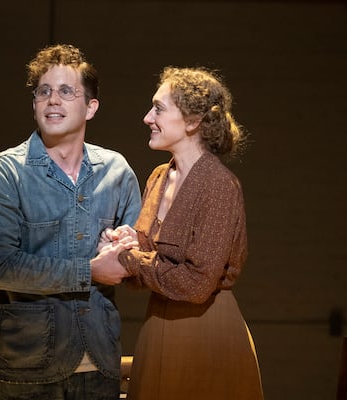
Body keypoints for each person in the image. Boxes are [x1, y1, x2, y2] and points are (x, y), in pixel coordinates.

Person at [0, 44, 142, 400]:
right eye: (43, 92)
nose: (52, 100)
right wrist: (89, 270)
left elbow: (136, 254)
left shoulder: (116, 171)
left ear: (90, 107)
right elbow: (0, 267)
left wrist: (126, 250)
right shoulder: (3, 172)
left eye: (66, 91)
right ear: (33, 104)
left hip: (99, 360)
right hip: (30, 366)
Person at [95, 66, 264, 399]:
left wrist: (130, 260)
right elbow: (148, 266)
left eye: (158, 108)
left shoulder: (218, 185)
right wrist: (123, 243)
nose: (147, 117)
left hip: (206, 332)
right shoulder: (160, 176)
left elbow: (197, 284)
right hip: (157, 325)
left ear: (192, 121)